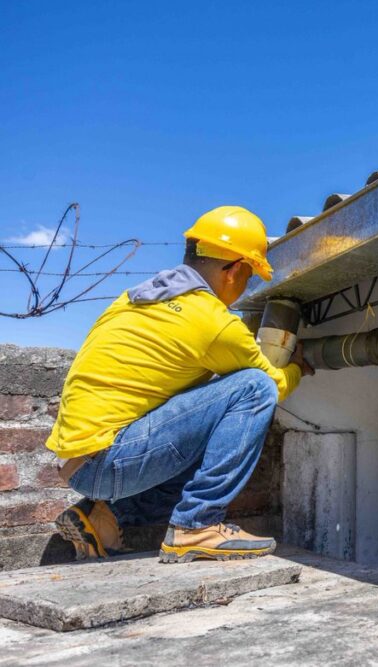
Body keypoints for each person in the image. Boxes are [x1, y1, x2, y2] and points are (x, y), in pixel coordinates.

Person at [46, 206, 313, 563]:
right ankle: (197, 525)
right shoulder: (213, 321)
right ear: (234, 269)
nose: (245, 285)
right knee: (253, 387)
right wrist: (296, 366)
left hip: (79, 464)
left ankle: (102, 518)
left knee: (211, 432)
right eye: (249, 276)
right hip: (109, 463)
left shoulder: (139, 297)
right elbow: (270, 384)